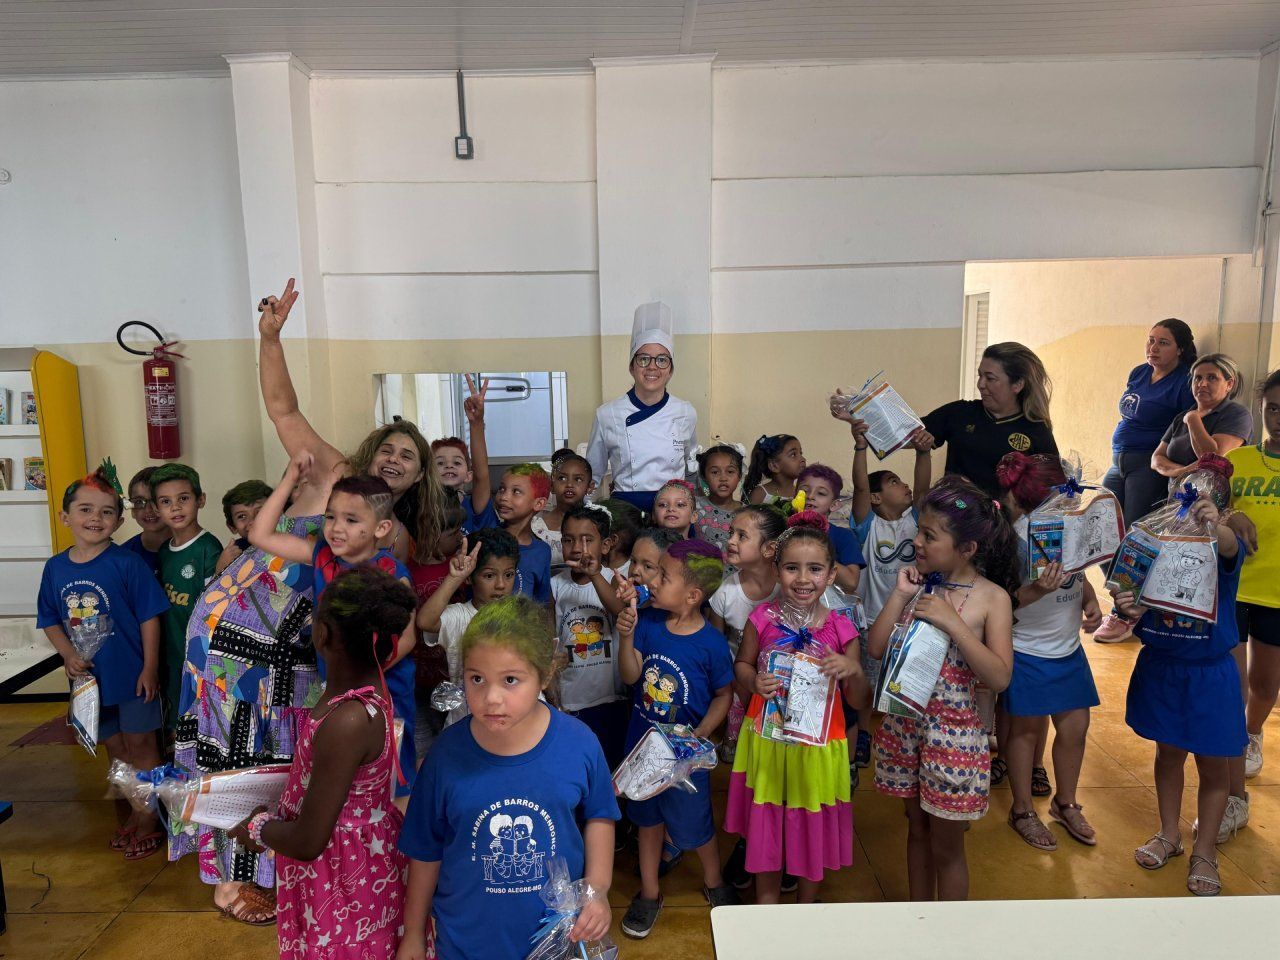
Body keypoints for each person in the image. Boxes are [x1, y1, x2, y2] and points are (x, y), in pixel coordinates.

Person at [397, 596, 619, 960]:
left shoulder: (579, 744)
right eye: (476, 679)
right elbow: (426, 851)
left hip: (555, 941)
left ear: (545, 674)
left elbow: (599, 816)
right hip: (464, 942)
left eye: (511, 680)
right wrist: (413, 935)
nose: (491, 698)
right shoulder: (444, 756)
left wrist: (598, 889)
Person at [229, 566, 416, 960]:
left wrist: (259, 829)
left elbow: (309, 840)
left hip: (342, 876)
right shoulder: (357, 696)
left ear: (322, 634)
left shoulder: (348, 718)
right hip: (354, 860)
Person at [868, 477, 1016, 901]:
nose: (916, 541)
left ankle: (948, 936)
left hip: (954, 741)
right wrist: (900, 597)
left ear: (966, 549)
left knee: (948, 846)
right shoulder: (918, 586)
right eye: (919, 530)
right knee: (916, 829)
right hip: (905, 732)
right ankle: (919, 919)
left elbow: (1000, 676)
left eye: (929, 536)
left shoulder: (993, 598)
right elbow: (876, 648)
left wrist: (953, 624)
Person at [250, 453, 420, 800]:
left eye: (351, 519)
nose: (336, 527)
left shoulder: (391, 574)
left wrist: (363, 676)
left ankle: (396, 846)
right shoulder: (323, 557)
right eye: (331, 516)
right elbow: (260, 534)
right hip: (334, 688)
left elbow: (407, 638)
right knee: (346, 774)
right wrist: (289, 481)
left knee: (392, 778)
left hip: (385, 691)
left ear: (381, 528)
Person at [726, 512, 870, 904]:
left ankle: (806, 908)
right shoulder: (762, 619)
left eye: (814, 569)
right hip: (769, 743)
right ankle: (767, 905)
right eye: (791, 568)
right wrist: (753, 680)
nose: (803, 579)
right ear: (777, 569)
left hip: (818, 749)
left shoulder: (842, 628)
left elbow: (859, 701)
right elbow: (741, 664)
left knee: (811, 825)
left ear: (832, 574)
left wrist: (851, 670)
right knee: (767, 823)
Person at [1116, 495, 1246, 896]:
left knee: (1214, 767)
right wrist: (1128, 608)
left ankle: (1204, 850)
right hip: (1162, 669)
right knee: (1167, 755)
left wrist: (1218, 524)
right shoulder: (1155, 545)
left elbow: (1230, 547)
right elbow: (1132, 602)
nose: (1187, 516)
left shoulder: (1218, 544)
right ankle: (1168, 833)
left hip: (1209, 676)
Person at [38, 467, 169, 861]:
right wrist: (67, 655)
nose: (95, 518)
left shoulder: (127, 563)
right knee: (116, 748)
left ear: (119, 519)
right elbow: (49, 618)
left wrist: (149, 668)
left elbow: (150, 616)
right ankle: (137, 808)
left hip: (132, 677)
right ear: (65, 516)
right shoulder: (55, 568)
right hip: (90, 682)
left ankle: (152, 818)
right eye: (85, 509)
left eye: (106, 512)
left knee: (143, 745)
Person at [615, 539, 738, 938]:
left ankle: (715, 881)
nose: (652, 579)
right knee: (647, 824)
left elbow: (724, 696)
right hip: (644, 753)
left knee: (696, 826)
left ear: (692, 595)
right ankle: (649, 893)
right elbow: (632, 677)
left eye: (663, 576)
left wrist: (701, 735)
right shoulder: (649, 623)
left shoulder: (712, 645)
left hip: (686, 760)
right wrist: (628, 636)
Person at [996, 453, 1103, 851]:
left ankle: (1066, 802)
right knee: (1025, 732)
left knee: (1075, 727)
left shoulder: (1069, 529)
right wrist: (1038, 589)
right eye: (1065, 491)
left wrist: (1090, 599)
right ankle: (1022, 809)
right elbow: (1002, 601)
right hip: (1027, 649)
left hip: (1068, 649)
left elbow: (1079, 572)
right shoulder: (1014, 539)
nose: (1072, 497)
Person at [1093, 321, 1199, 642]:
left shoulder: (1184, 382)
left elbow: (1183, 430)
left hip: (1147, 466)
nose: (1153, 348)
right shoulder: (1139, 372)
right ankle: (1131, 599)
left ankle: (1124, 614)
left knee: (1137, 541)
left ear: (1180, 348)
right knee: (1102, 529)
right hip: (1119, 461)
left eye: (1163, 343)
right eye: (1151, 341)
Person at [586, 301, 698, 514]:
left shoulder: (685, 412)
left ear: (671, 370)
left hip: (672, 512)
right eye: (644, 359)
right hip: (625, 512)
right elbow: (592, 474)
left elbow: (691, 470)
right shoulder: (607, 414)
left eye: (662, 360)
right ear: (632, 366)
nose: (652, 366)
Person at [920, 342, 1059, 499]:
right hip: (955, 514)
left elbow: (1053, 490)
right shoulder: (960, 412)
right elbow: (905, 435)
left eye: (990, 378)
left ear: (1018, 384)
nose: (981, 384)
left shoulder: (1037, 430)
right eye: (980, 376)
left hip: (1004, 522)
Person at [1230, 369, 1280, 781]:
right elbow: (1200, 511)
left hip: (1276, 594)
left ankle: (1251, 733)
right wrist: (1229, 513)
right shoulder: (1238, 460)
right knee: (1232, 679)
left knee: (1265, 681)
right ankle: (1228, 736)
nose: (1279, 417)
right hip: (1233, 586)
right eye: (1273, 409)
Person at [416, 528, 519, 727]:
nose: (501, 584)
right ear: (470, 578)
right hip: (465, 721)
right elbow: (425, 621)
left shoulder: (522, 615)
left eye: (509, 575)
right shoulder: (460, 616)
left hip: (511, 720)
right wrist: (454, 578)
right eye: (489, 576)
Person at [552, 503, 628, 767]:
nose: (577, 547)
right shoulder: (555, 585)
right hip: (571, 697)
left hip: (610, 697)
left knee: (610, 765)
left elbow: (619, 611)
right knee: (577, 764)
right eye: (569, 539)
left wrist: (595, 575)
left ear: (605, 545)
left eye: (588, 540)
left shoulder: (615, 579)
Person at [709, 506, 786, 766]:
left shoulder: (786, 589)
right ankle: (733, 739)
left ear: (769, 549)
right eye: (731, 533)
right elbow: (717, 645)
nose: (730, 540)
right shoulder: (725, 592)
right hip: (737, 683)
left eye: (742, 536)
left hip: (778, 685)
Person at [151, 463, 222, 739]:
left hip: (199, 659)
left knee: (201, 727)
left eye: (183, 499)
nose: (176, 508)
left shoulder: (208, 548)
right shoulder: (164, 551)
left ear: (200, 499)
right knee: (176, 729)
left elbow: (214, 612)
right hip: (173, 656)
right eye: (166, 502)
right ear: (157, 509)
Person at [1152, 353, 1252, 485]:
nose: (1202, 384)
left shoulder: (1237, 414)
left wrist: (1193, 419)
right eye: (1197, 378)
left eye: (1212, 378)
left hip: (1214, 500)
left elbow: (1212, 458)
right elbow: (1156, 459)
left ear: (1229, 384)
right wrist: (1183, 472)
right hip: (1176, 496)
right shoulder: (1181, 417)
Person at [468, 463, 554, 603]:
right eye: (502, 489)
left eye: (516, 492)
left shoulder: (542, 551)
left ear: (539, 504)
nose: (503, 497)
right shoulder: (486, 532)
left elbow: (544, 603)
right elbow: (481, 476)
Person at [432, 373, 492, 534]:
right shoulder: (424, 506)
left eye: (457, 462)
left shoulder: (473, 506)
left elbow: (482, 475)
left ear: (468, 475)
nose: (449, 465)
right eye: (440, 463)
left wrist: (476, 423)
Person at [796, 463, 866, 592]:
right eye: (804, 491)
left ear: (834, 505)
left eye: (821, 493)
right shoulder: (784, 531)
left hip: (829, 608)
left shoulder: (843, 536)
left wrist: (817, 553)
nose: (810, 496)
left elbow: (851, 583)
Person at [536, 448, 595, 570]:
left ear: (589, 487)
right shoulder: (537, 527)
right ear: (551, 486)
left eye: (578, 479)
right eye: (562, 478)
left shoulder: (597, 524)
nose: (569, 484)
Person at [214, 479, 273, 575]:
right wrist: (221, 569)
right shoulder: (236, 553)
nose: (253, 521)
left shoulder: (292, 539)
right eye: (242, 516)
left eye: (260, 512)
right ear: (232, 527)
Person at [695, 443, 745, 551]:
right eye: (715, 472)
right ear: (704, 476)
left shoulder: (747, 513)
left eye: (730, 471)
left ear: (739, 476)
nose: (723, 478)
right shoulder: (694, 507)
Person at [122, 466, 166, 575]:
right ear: (132, 510)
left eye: (156, 501)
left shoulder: (196, 550)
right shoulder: (123, 555)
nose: (149, 509)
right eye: (139, 502)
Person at [744, 434, 806, 505]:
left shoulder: (802, 493)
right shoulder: (760, 494)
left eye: (801, 453)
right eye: (793, 454)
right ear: (774, 465)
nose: (802, 459)